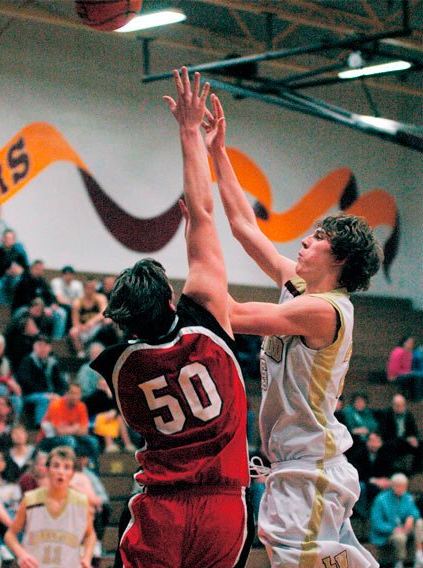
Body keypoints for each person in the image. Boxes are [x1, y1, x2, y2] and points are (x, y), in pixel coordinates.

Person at [204, 92, 382, 566]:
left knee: (291, 559)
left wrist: (194, 255)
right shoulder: (300, 288)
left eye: (320, 238)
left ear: (340, 259)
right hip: (303, 467)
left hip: (311, 469)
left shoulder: (325, 310)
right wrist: (217, 150)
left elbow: (234, 316)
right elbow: (245, 227)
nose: (306, 239)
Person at [90, 68, 252, 568]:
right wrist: (189, 131)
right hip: (224, 507)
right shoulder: (205, 317)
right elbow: (203, 211)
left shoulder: (120, 369)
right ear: (169, 301)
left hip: (161, 509)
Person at [5, 446, 96, 568]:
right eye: (56, 466)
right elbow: (10, 535)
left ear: (73, 473)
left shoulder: (81, 502)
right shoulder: (30, 499)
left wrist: (86, 557)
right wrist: (22, 554)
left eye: (67, 467)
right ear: (47, 470)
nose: (61, 471)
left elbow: (90, 535)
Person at [39, 382, 100, 472]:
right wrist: (76, 428)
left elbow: (84, 430)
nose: (74, 396)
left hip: (71, 436)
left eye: (77, 394)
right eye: (72, 393)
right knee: (70, 441)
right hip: (49, 439)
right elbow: (59, 432)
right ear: (66, 393)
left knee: (93, 441)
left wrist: (68, 429)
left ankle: (94, 471)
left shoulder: (81, 406)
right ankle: (71, 470)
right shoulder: (56, 405)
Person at [370, 473, 423, 568]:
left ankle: (419, 554)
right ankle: (399, 562)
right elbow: (376, 522)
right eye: (398, 486)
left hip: (405, 529)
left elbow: (415, 512)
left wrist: (411, 517)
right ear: (392, 486)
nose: (401, 489)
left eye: (403, 487)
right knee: (400, 537)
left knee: (419, 523)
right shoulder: (381, 499)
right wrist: (393, 529)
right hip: (387, 533)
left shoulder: (407, 497)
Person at [17, 334, 68, 427]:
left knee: (67, 398)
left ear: (50, 348)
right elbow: (26, 382)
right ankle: (41, 426)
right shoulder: (27, 361)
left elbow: (61, 382)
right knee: (44, 399)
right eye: (40, 345)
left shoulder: (53, 362)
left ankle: (62, 427)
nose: (43, 348)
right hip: (31, 394)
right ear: (34, 347)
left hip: (51, 394)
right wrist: (46, 393)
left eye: (45, 346)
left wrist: (57, 394)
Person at [12, 260, 68, 340]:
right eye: (37, 269)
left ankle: (56, 340)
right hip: (24, 308)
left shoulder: (42, 282)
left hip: (42, 309)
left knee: (61, 313)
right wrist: (41, 308)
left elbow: (50, 296)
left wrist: (52, 305)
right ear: (31, 269)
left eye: (41, 270)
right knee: (23, 311)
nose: (39, 272)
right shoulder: (23, 281)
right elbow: (25, 300)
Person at [377, 393, 422, 475]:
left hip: (405, 441)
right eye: (398, 405)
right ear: (393, 405)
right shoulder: (387, 415)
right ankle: (393, 471)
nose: (400, 408)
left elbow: (414, 431)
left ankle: (415, 471)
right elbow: (385, 433)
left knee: (420, 444)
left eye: (402, 405)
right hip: (391, 441)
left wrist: (414, 438)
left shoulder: (408, 415)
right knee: (393, 445)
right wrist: (406, 439)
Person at [0, 229, 28, 304]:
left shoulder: (19, 254)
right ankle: (5, 304)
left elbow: (27, 270)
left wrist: (21, 271)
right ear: (2, 239)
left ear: (14, 241)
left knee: (21, 281)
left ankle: (15, 303)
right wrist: (6, 271)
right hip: (1, 280)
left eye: (10, 239)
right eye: (6, 238)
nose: (7, 240)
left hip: (14, 280)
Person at [69, 277, 108, 358]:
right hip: (84, 328)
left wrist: (91, 322)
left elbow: (104, 313)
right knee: (73, 331)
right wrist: (82, 327)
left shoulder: (100, 298)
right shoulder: (77, 302)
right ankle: (81, 353)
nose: (92, 291)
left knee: (108, 320)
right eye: (89, 288)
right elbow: (75, 322)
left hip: (97, 326)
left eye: (93, 288)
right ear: (84, 288)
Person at [387, 336, 423, 401]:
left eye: (412, 343)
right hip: (395, 376)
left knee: (418, 376)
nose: (411, 344)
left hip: (405, 375)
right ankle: (417, 399)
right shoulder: (398, 351)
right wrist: (409, 373)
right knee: (416, 376)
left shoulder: (410, 353)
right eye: (409, 342)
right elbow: (393, 369)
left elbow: (409, 368)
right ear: (404, 343)